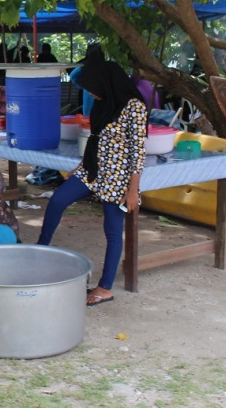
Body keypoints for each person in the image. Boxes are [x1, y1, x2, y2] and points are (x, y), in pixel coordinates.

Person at [36, 59, 147, 307]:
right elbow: (95, 139)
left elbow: (138, 151)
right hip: (92, 170)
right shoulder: (102, 102)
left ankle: (105, 287)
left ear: (105, 82)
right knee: (58, 200)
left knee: (112, 231)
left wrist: (132, 189)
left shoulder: (134, 107)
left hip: (118, 177)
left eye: (93, 88)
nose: (91, 94)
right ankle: (40, 248)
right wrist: (80, 166)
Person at [70, 43, 105, 115]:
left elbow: (73, 75)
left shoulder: (84, 65)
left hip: (88, 94)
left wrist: (81, 86)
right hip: (103, 94)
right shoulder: (105, 65)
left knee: (88, 119)